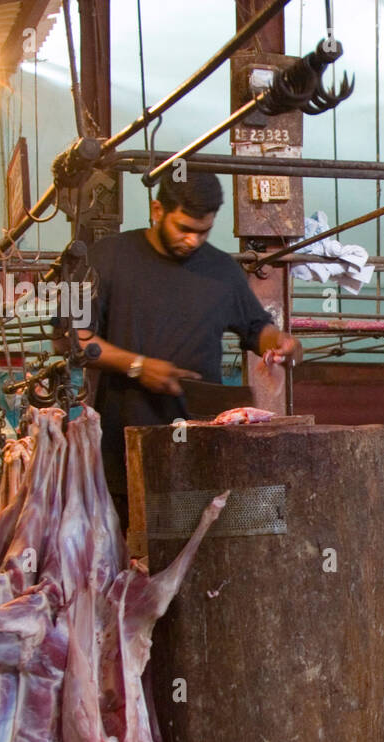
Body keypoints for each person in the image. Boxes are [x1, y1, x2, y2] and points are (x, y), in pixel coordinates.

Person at [64, 170, 303, 506]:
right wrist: (137, 366)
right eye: (184, 229)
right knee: (128, 552)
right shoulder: (107, 257)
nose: (193, 240)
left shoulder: (223, 271)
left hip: (202, 452)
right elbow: (75, 339)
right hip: (123, 450)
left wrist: (281, 344)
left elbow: (257, 329)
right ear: (158, 210)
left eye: (203, 232)